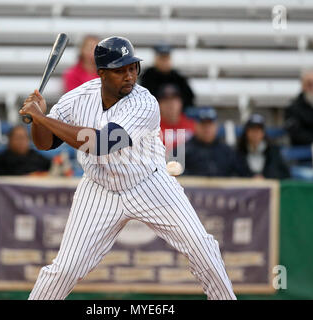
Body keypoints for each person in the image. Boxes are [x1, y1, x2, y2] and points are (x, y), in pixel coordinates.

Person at [20, 36, 236, 300]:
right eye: (120, 70)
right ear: (101, 73)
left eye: (132, 68)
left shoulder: (144, 103)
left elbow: (101, 143)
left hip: (150, 183)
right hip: (99, 189)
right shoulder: (77, 99)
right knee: (64, 269)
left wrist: (43, 117)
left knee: (203, 248)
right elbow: (44, 144)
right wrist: (38, 122)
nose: (129, 76)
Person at [183, 107, 249, 177]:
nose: (207, 129)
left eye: (210, 124)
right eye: (203, 124)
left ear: (216, 126)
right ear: (196, 126)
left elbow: (243, 175)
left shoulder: (228, 152)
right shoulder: (182, 151)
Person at [140, 43, 195, 110]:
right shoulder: (147, 77)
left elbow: (189, 98)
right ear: (156, 59)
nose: (164, 61)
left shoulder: (178, 77)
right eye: (162, 58)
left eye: (166, 58)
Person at [236, 114, 290, 180]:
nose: (255, 134)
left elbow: (285, 174)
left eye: (258, 130)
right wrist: (251, 178)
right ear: (247, 132)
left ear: (263, 133)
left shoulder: (273, 152)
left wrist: (265, 178)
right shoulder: (239, 153)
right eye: (252, 130)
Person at [157, 83, 195, 152]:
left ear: (181, 102)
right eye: (165, 100)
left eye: (174, 99)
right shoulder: (152, 129)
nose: (170, 103)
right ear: (158, 104)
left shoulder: (193, 125)